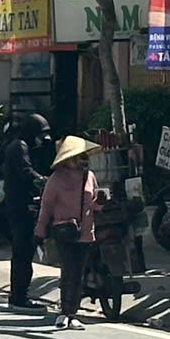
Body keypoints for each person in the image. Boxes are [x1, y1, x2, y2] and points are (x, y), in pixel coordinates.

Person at [35, 134, 104, 328]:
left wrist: (100, 202)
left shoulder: (89, 177)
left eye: (84, 156)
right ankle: (64, 312)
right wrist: (39, 231)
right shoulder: (56, 179)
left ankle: (72, 313)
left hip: (85, 233)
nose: (83, 160)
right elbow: (46, 207)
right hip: (64, 231)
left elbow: (93, 205)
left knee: (78, 274)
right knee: (68, 272)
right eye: (79, 157)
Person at [0, 110, 47, 311]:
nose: (41, 139)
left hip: (19, 205)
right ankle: (19, 296)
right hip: (20, 207)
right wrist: (45, 182)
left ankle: (19, 294)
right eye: (40, 134)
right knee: (23, 252)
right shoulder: (19, 147)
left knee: (23, 252)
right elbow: (26, 173)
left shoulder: (20, 146)